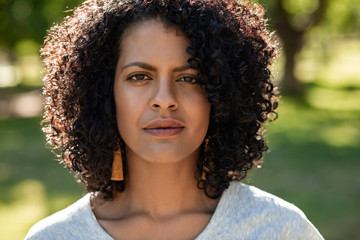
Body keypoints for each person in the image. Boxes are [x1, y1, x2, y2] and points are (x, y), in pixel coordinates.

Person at [25, 0, 324, 239]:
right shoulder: (54, 236)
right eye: (139, 76)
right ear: (102, 92)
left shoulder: (281, 229)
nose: (165, 98)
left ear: (221, 94)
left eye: (189, 77)